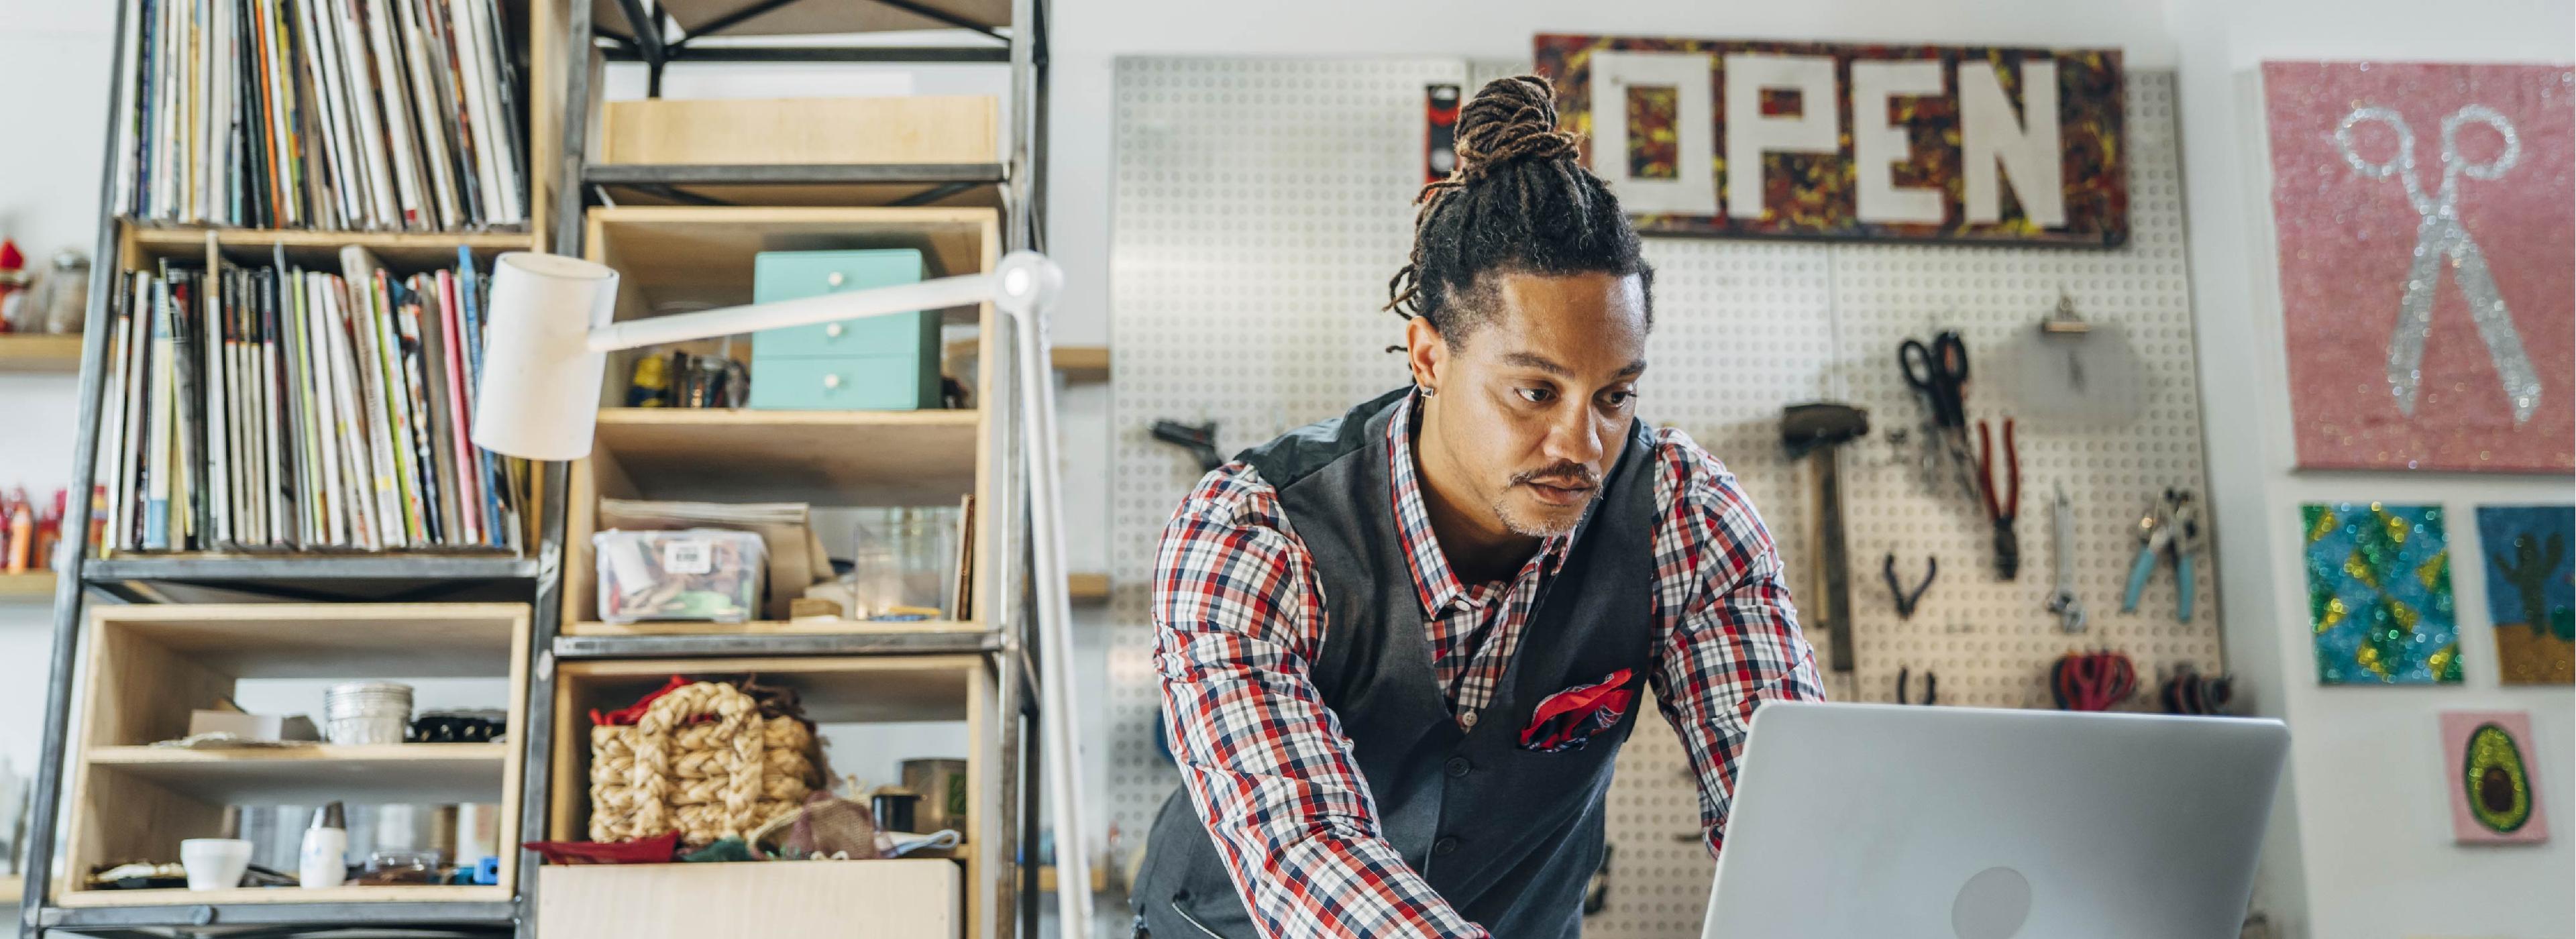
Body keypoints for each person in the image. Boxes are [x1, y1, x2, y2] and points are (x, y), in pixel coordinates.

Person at [1131, 75, 1825, 939]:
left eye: (1614, 397)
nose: (1582, 445)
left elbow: (1784, 809)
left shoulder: (1680, 513)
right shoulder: (1252, 532)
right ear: (1428, 355)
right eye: (1535, 391)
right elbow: (1303, 840)